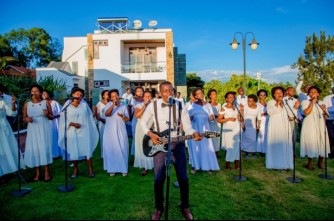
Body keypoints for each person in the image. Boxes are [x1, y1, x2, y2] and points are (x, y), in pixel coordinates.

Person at [140, 81, 203, 220]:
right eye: (165, 90)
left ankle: (185, 206)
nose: (168, 92)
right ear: (160, 92)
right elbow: (143, 122)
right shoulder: (153, 105)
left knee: (183, 178)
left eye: (171, 90)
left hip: (177, 143)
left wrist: (194, 133)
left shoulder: (180, 105)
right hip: (159, 146)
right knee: (158, 179)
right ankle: (158, 208)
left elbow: (187, 126)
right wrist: (151, 135)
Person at [58, 87, 99, 178]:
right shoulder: (67, 106)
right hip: (72, 132)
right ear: (72, 95)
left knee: (86, 149)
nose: (79, 96)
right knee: (74, 150)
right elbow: (62, 119)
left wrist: (94, 114)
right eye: (77, 94)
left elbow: (89, 118)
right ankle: (75, 169)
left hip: (84, 131)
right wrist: (72, 123)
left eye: (81, 95)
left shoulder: (84, 106)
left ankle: (90, 170)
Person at [23, 84, 53, 182]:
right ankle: (37, 173)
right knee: (35, 148)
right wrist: (27, 119)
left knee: (44, 148)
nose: (34, 93)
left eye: (36, 91)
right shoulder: (27, 104)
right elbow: (23, 117)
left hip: (43, 127)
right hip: (33, 129)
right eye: (33, 91)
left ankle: (47, 172)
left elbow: (52, 117)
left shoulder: (46, 103)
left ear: (40, 92)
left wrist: (47, 114)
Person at [188, 88, 220, 174]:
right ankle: (195, 166)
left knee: (208, 147)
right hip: (195, 130)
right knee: (196, 148)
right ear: (195, 96)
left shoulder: (208, 105)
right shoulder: (192, 106)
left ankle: (208, 166)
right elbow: (188, 119)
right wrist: (191, 119)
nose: (201, 94)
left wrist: (212, 118)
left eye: (201, 93)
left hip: (206, 129)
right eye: (198, 93)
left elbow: (211, 117)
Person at [300, 86, 330, 170]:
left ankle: (320, 162)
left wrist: (324, 110)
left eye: (315, 92)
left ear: (318, 94)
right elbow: (306, 112)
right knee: (311, 141)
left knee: (322, 141)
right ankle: (309, 163)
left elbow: (326, 116)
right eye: (311, 92)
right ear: (309, 94)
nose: (313, 93)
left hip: (320, 124)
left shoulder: (321, 102)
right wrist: (312, 103)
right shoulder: (305, 102)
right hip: (309, 123)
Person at [103, 89, 130, 176]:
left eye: (116, 95)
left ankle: (123, 169)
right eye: (113, 96)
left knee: (122, 147)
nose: (115, 97)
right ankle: (112, 169)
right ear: (110, 98)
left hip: (121, 129)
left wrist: (122, 116)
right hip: (110, 131)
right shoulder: (108, 105)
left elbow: (127, 119)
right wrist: (113, 106)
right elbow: (107, 114)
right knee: (111, 148)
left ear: (119, 96)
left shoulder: (123, 105)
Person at [266, 86, 293, 170]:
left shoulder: (286, 102)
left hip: (284, 124)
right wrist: (277, 103)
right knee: (276, 143)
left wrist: (291, 116)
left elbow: (290, 113)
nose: (279, 94)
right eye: (277, 93)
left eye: (281, 93)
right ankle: (275, 164)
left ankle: (285, 163)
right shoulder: (271, 102)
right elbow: (270, 112)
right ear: (274, 94)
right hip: (275, 125)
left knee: (284, 143)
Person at [0, 88, 25, 180]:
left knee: (6, 148)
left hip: (3, 128)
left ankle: (7, 171)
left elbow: (12, 113)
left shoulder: (4, 101)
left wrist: (13, 104)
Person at [217, 91, 241, 170]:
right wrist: (228, 119)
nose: (232, 98)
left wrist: (241, 114)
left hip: (237, 128)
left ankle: (236, 165)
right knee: (231, 147)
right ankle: (227, 165)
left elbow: (240, 118)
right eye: (230, 97)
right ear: (226, 99)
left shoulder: (236, 107)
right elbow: (219, 120)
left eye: (233, 97)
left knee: (237, 147)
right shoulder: (224, 108)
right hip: (229, 130)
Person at [133, 90, 154, 176]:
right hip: (141, 129)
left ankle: (154, 165)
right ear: (143, 97)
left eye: (149, 96)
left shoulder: (154, 106)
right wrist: (145, 105)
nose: (147, 98)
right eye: (146, 96)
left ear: (151, 97)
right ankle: (144, 167)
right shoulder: (139, 105)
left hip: (151, 128)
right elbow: (137, 115)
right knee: (142, 146)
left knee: (152, 146)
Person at [42, 90, 63, 158]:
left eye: (45, 94)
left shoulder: (54, 103)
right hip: (46, 123)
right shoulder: (41, 104)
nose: (44, 95)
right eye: (42, 94)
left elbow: (61, 112)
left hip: (55, 122)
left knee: (56, 137)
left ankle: (58, 153)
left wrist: (54, 116)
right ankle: (51, 154)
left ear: (48, 94)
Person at [241, 94, 262, 159]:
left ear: (254, 101)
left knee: (253, 139)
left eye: (250, 101)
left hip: (253, 125)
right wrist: (243, 124)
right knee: (246, 139)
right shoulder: (246, 106)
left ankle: (252, 153)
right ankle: (246, 152)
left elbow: (259, 118)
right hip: (245, 124)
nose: (248, 102)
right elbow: (242, 116)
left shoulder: (258, 107)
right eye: (248, 101)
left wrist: (258, 126)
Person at [283, 87, 301, 152]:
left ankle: (292, 152)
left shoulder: (296, 100)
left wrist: (299, 117)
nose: (292, 92)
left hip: (293, 120)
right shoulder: (283, 100)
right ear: (287, 91)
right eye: (291, 90)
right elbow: (284, 110)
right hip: (285, 119)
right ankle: (285, 151)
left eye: (293, 91)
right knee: (285, 136)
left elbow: (297, 110)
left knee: (293, 137)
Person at [93, 90, 109, 159]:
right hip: (102, 123)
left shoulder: (112, 103)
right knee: (103, 138)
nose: (108, 95)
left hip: (111, 123)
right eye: (107, 94)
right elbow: (96, 115)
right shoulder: (99, 103)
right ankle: (103, 154)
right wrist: (101, 119)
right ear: (103, 96)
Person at [207, 89, 222, 158]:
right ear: (210, 96)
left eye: (215, 94)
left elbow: (221, 114)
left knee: (216, 138)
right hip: (210, 123)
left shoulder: (219, 105)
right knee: (210, 138)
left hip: (217, 123)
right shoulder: (207, 105)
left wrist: (219, 116)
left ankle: (216, 153)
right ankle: (210, 152)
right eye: (213, 94)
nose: (215, 95)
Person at [130, 86, 144, 156]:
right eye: (138, 91)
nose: (140, 92)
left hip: (144, 120)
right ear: (135, 92)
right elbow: (131, 111)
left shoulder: (145, 99)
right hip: (136, 120)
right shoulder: (133, 100)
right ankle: (136, 154)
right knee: (136, 137)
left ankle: (143, 152)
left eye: (141, 91)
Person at [256, 89, 269, 155]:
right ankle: (261, 150)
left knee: (267, 135)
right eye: (261, 95)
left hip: (268, 120)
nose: (262, 96)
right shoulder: (257, 104)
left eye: (264, 95)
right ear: (258, 96)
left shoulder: (268, 104)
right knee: (262, 135)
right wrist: (264, 113)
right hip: (261, 120)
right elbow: (256, 114)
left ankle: (267, 149)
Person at [323, 86, 334, 158]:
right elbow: (324, 109)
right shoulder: (327, 98)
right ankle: (329, 152)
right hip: (329, 119)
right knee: (330, 136)